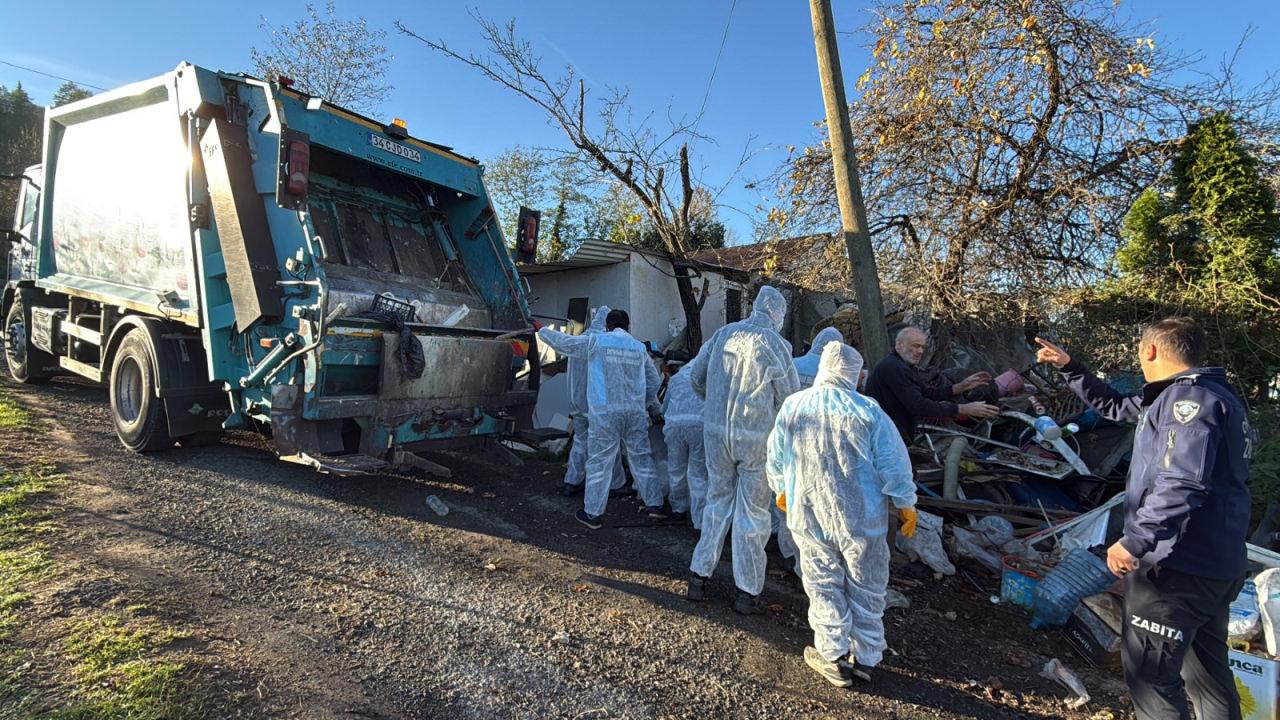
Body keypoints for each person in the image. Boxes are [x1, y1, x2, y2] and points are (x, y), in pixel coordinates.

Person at [1037, 318, 1252, 720]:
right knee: (1208, 681)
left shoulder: (1188, 404)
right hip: (1216, 568)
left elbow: (1181, 482)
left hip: (1175, 568)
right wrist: (1071, 367)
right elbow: (1116, 407)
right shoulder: (1214, 397)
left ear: (1149, 350)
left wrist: (1135, 540)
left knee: (1152, 680)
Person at [767, 342, 917, 687]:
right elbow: (893, 462)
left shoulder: (795, 405)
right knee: (867, 585)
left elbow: (776, 455)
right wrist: (905, 503)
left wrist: (781, 488)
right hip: (862, 518)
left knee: (823, 582)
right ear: (854, 373)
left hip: (810, 513)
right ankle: (865, 658)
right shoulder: (868, 410)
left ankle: (833, 656)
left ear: (824, 367)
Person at [685, 285, 800, 615]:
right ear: (777, 313)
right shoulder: (776, 345)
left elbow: (697, 377)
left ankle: (698, 576)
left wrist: (716, 404)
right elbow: (790, 398)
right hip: (756, 439)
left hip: (716, 434)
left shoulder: (723, 334)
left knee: (717, 501)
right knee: (753, 513)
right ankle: (746, 592)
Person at [538, 309, 664, 529]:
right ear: (627, 326)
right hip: (634, 414)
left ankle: (593, 514)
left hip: (606, 415)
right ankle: (656, 506)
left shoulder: (597, 342)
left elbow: (566, 343)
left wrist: (541, 331)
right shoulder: (638, 348)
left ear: (607, 325)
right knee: (642, 459)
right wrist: (645, 403)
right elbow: (653, 381)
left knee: (600, 462)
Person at [775, 326, 849, 577]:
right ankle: (811, 557)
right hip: (823, 448)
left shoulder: (793, 365)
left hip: (789, 442)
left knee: (787, 498)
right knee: (816, 505)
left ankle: (787, 551)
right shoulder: (838, 376)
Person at [864, 326, 999, 442]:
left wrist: (961, 386)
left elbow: (927, 393)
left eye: (922, 347)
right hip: (885, 437)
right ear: (899, 345)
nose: (920, 351)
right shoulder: (893, 367)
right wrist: (962, 409)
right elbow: (918, 405)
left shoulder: (906, 367)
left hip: (893, 434)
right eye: (916, 346)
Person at [557, 306, 625, 498]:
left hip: (578, 405)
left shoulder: (580, 341)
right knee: (610, 444)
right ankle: (615, 484)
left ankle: (572, 481)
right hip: (600, 407)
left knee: (580, 441)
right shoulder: (605, 343)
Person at [663, 364, 706, 528]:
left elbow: (665, 407)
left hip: (675, 426)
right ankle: (699, 520)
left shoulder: (676, 379)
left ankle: (678, 509)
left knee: (676, 469)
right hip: (700, 426)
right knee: (698, 474)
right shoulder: (709, 376)